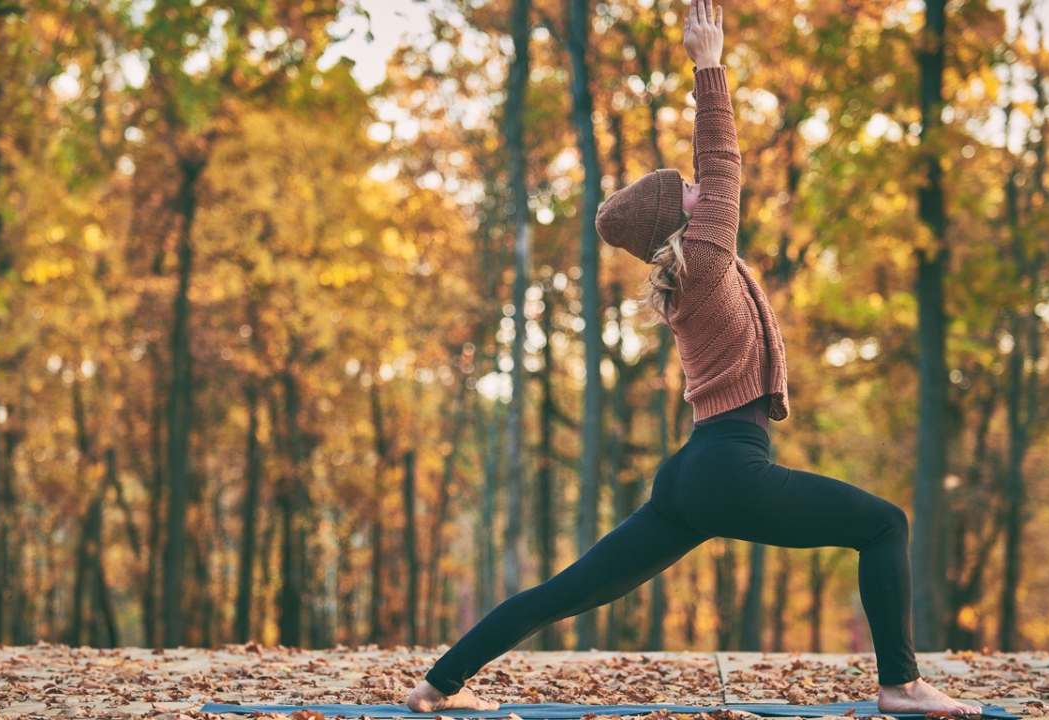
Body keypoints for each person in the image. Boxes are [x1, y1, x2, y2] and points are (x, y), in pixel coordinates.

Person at [406, 1, 981, 715]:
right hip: (727, 470)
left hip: (694, 475)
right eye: (686, 191)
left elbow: (717, 178)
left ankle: (434, 687)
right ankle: (899, 684)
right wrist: (707, 64)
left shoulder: (699, 274)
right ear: (681, 222)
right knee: (884, 523)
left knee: (568, 592)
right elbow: (725, 162)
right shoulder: (705, 262)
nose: (699, 186)